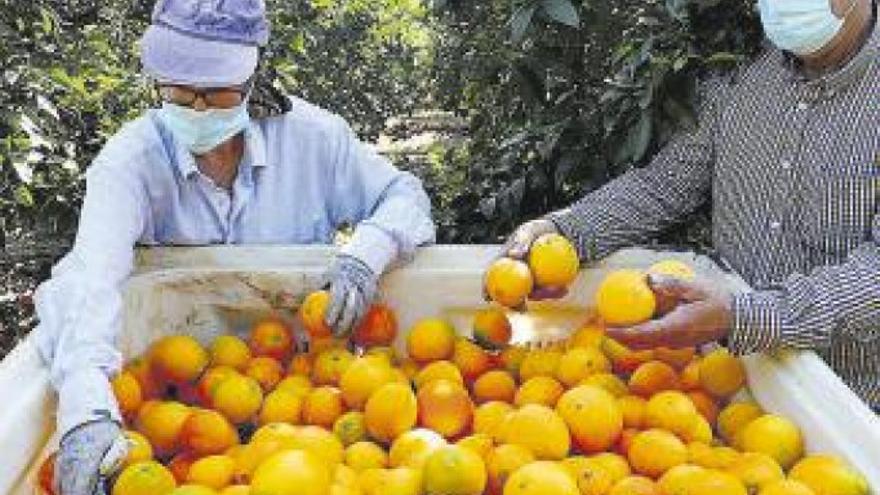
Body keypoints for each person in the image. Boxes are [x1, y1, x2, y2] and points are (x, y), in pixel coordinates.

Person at [33, 1, 435, 493]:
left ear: (250, 79)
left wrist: (363, 255)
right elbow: (88, 281)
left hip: (310, 378)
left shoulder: (312, 139)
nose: (198, 107)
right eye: (180, 91)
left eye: (217, 92)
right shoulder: (131, 164)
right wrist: (86, 409)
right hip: (188, 392)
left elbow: (405, 197)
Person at [502, 0, 879, 407]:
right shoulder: (743, 75)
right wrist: (565, 230)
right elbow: (664, 185)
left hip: (850, 404)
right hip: (731, 389)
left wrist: (744, 315)